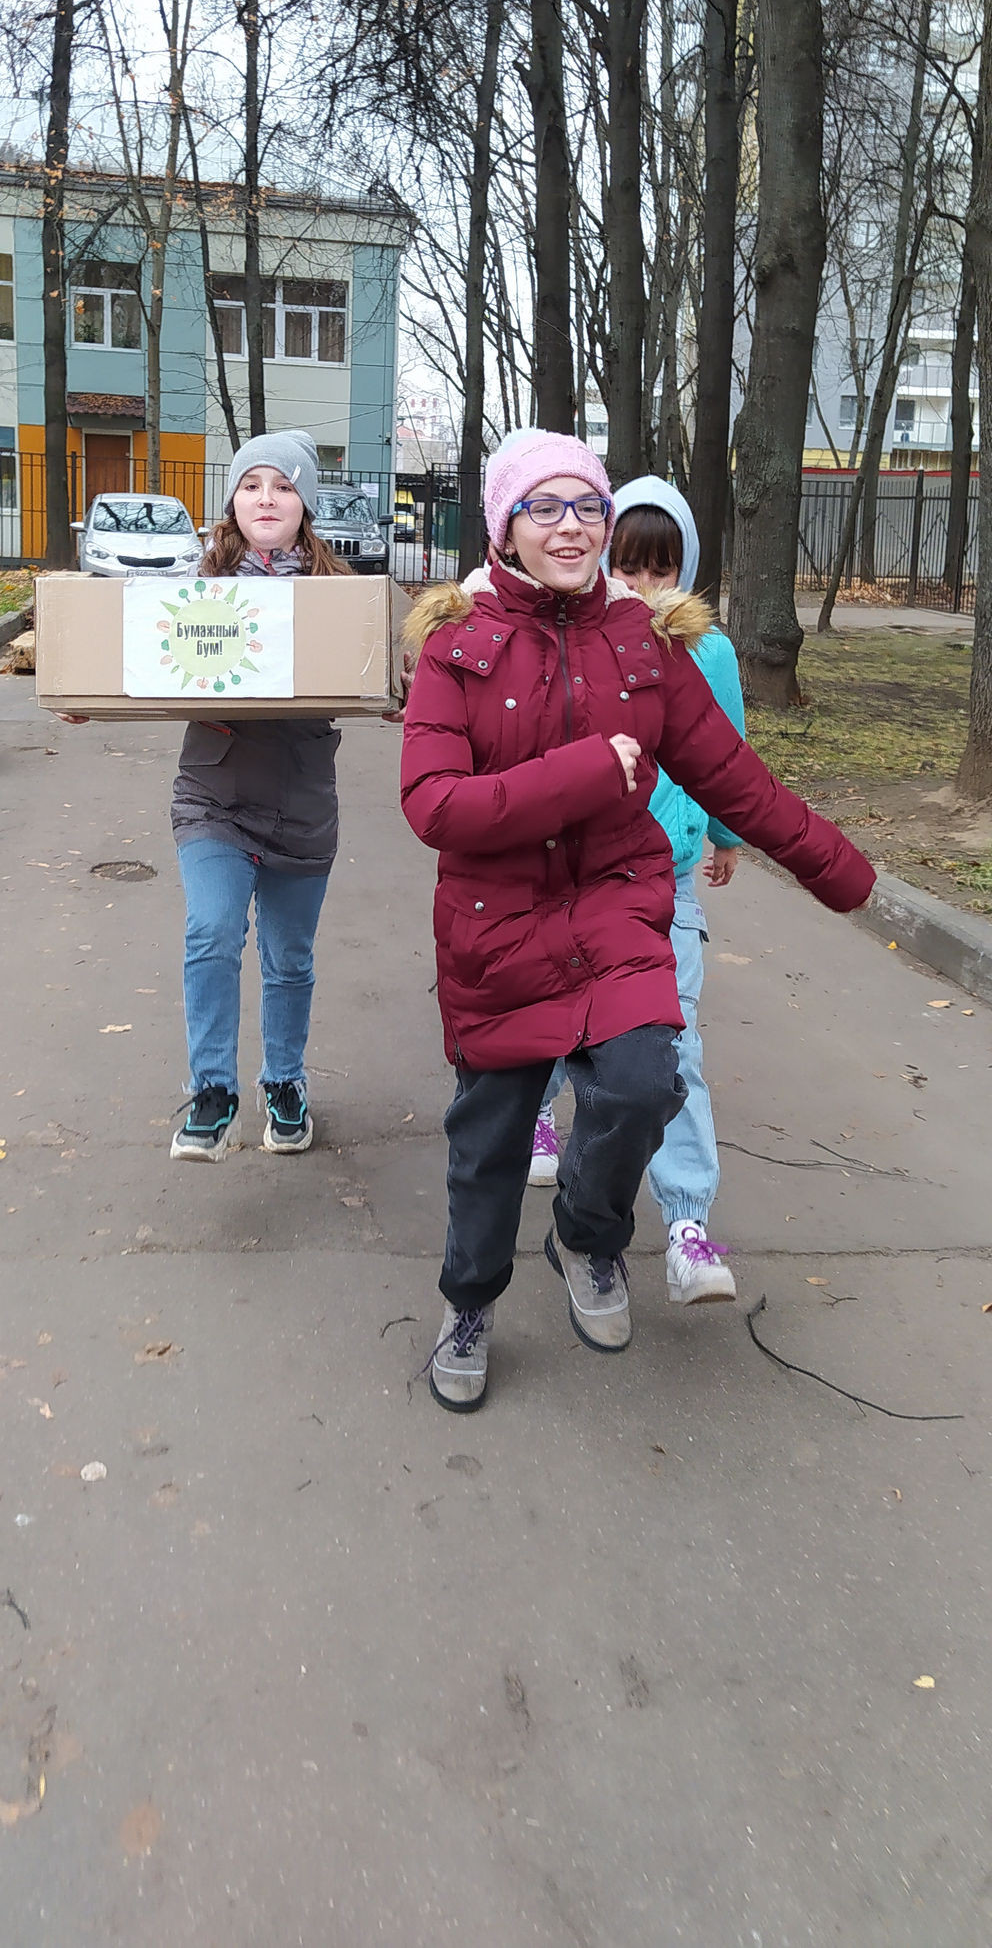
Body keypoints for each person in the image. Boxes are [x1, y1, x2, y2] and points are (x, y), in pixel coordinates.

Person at [400, 429, 875, 1412]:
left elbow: (731, 775)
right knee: (488, 1145)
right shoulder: (457, 641)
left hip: (615, 908)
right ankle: (470, 1301)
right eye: (545, 507)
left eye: (586, 507)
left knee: (645, 1079)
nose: (569, 526)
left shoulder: (644, 645)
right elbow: (434, 804)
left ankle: (584, 1230)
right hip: (493, 924)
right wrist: (580, 772)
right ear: (507, 527)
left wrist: (831, 863)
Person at [528, 476, 744, 1307]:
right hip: (575, 878)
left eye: (663, 569)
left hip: (667, 885)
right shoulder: (581, 638)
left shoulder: (709, 650)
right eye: (631, 566)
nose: (647, 587)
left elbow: (726, 752)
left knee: (673, 1045)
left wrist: (724, 834)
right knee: (558, 1019)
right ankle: (543, 1109)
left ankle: (687, 1225)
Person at [169, 431, 350, 1162]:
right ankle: (213, 1092)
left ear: (303, 500)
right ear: (233, 499)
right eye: (251, 484)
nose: (266, 498)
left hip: (302, 798)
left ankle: (285, 1081)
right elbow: (128, 662)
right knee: (211, 930)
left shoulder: (342, 595)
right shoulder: (193, 587)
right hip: (213, 792)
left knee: (289, 958)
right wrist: (89, 696)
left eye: (282, 485)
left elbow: (393, 670)